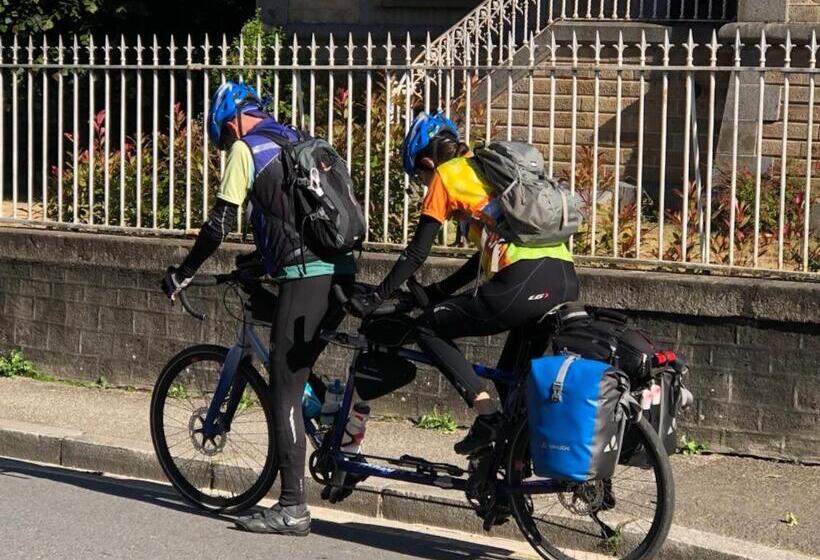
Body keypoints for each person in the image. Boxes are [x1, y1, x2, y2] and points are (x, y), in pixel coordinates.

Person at [161, 81, 356, 536]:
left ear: (229, 122)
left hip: (306, 275)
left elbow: (218, 225)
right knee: (298, 364)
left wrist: (184, 272)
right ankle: (333, 416)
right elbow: (291, 217)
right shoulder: (293, 139)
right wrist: (256, 262)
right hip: (341, 271)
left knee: (283, 387)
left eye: (224, 135)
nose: (226, 142)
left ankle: (292, 508)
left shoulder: (246, 150)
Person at [349, 111, 579, 456]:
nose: (424, 184)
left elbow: (416, 253)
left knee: (427, 328)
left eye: (420, 177)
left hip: (521, 283)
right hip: (564, 278)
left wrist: (376, 297)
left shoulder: (446, 175)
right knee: (510, 375)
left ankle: (487, 416)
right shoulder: (488, 171)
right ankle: (514, 467)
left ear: (428, 162)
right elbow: (483, 256)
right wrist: (439, 291)